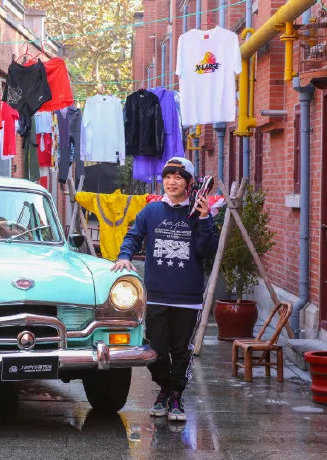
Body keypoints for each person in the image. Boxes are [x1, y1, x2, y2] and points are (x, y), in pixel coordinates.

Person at [111, 157, 218, 422]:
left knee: (181, 351)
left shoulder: (198, 213)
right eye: (168, 177)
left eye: (178, 177)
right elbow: (133, 236)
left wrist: (205, 218)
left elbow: (207, 252)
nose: (172, 182)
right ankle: (166, 388)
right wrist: (124, 256)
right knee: (155, 351)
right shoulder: (152, 211)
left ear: (189, 183)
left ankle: (175, 398)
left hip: (188, 297)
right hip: (156, 295)